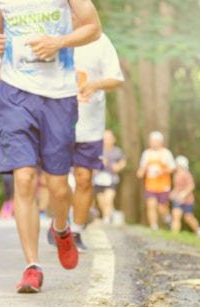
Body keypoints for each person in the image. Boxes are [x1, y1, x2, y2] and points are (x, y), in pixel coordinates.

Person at [0, 0, 102, 293]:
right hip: (15, 93)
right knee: (23, 179)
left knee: (58, 187)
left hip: (58, 96)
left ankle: (61, 228)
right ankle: (32, 266)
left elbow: (93, 28)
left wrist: (59, 42)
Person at [72, 33, 124, 250]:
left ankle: (75, 230)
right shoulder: (51, 31)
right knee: (54, 181)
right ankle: (59, 225)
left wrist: (95, 84)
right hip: (54, 121)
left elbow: (116, 79)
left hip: (89, 125)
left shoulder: (100, 40)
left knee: (84, 179)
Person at [136, 131, 176, 230]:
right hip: (150, 185)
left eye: (155, 141)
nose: (153, 143)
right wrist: (140, 172)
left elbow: (173, 168)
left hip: (163, 185)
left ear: (160, 142)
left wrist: (162, 171)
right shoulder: (146, 153)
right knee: (151, 205)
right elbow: (142, 167)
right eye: (152, 141)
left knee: (162, 208)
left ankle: (167, 219)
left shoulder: (166, 153)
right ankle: (154, 226)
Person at [95, 130, 126, 223]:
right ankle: (111, 213)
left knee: (108, 198)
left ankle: (106, 218)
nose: (107, 140)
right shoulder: (97, 150)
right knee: (101, 201)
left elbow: (123, 162)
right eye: (104, 138)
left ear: (113, 139)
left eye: (109, 138)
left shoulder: (117, 151)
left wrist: (118, 167)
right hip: (98, 180)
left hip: (111, 179)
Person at [171, 156, 200, 235]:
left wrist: (184, 194)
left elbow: (191, 185)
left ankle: (198, 230)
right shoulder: (176, 175)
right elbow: (177, 187)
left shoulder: (187, 174)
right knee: (176, 215)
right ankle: (174, 234)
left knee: (188, 217)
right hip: (178, 199)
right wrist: (173, 193)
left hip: (187, 200)